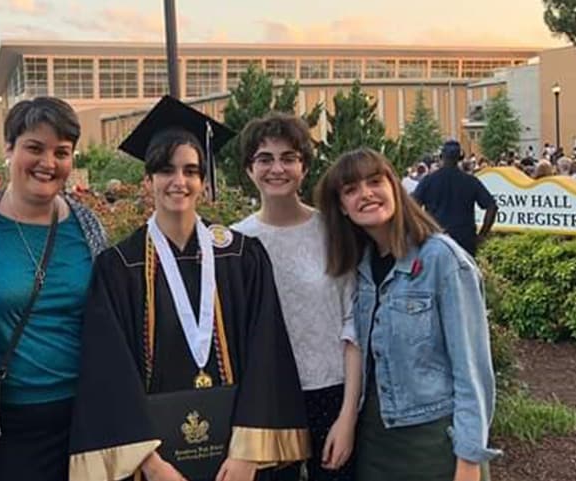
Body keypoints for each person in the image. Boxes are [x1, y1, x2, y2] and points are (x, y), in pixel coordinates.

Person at [69, 96, 309, 481]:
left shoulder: (241, 256)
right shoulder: (119, 266)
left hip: (238, 461)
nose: (178, 181)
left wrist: (250, 454)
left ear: (203, 180)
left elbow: (268, 353)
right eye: (165, 170)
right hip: (156, 465)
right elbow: (108, 370)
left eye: (190, 171)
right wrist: (149, 462)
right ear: (147, 181)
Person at [0, 96, 108, 481]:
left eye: (61, 152)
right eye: (35, 147)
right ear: (10, 148)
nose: (48, 163)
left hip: (82, 421)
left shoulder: (88, 227)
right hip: (1, 428)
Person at [315, 148, 499, 481]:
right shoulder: (361, 268)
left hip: (432, 443)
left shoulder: (442, 261)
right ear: (342, 206)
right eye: (351, 189)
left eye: (374, 181)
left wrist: (470, 459)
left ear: (395, 187)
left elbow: (472, 370)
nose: (366, 194)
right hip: (374, 440)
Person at [231, 113, 360, 481]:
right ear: (249, 169)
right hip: (266, 400)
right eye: (265, 159)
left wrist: (347, 416)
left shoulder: (333, 232)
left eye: (288, 157)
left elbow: (353, 323)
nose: (277, 168)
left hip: (331, 394)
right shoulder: (235, 242)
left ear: (304, 166)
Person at [413, 140, 498, 256]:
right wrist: (482, 235)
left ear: (441, 157)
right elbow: (492, 206)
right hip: (464, 242)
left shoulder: (428, 181)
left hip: (435, 239)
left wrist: (419, 232)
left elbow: (413, 206)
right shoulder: (471, 181)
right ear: (460, 157)